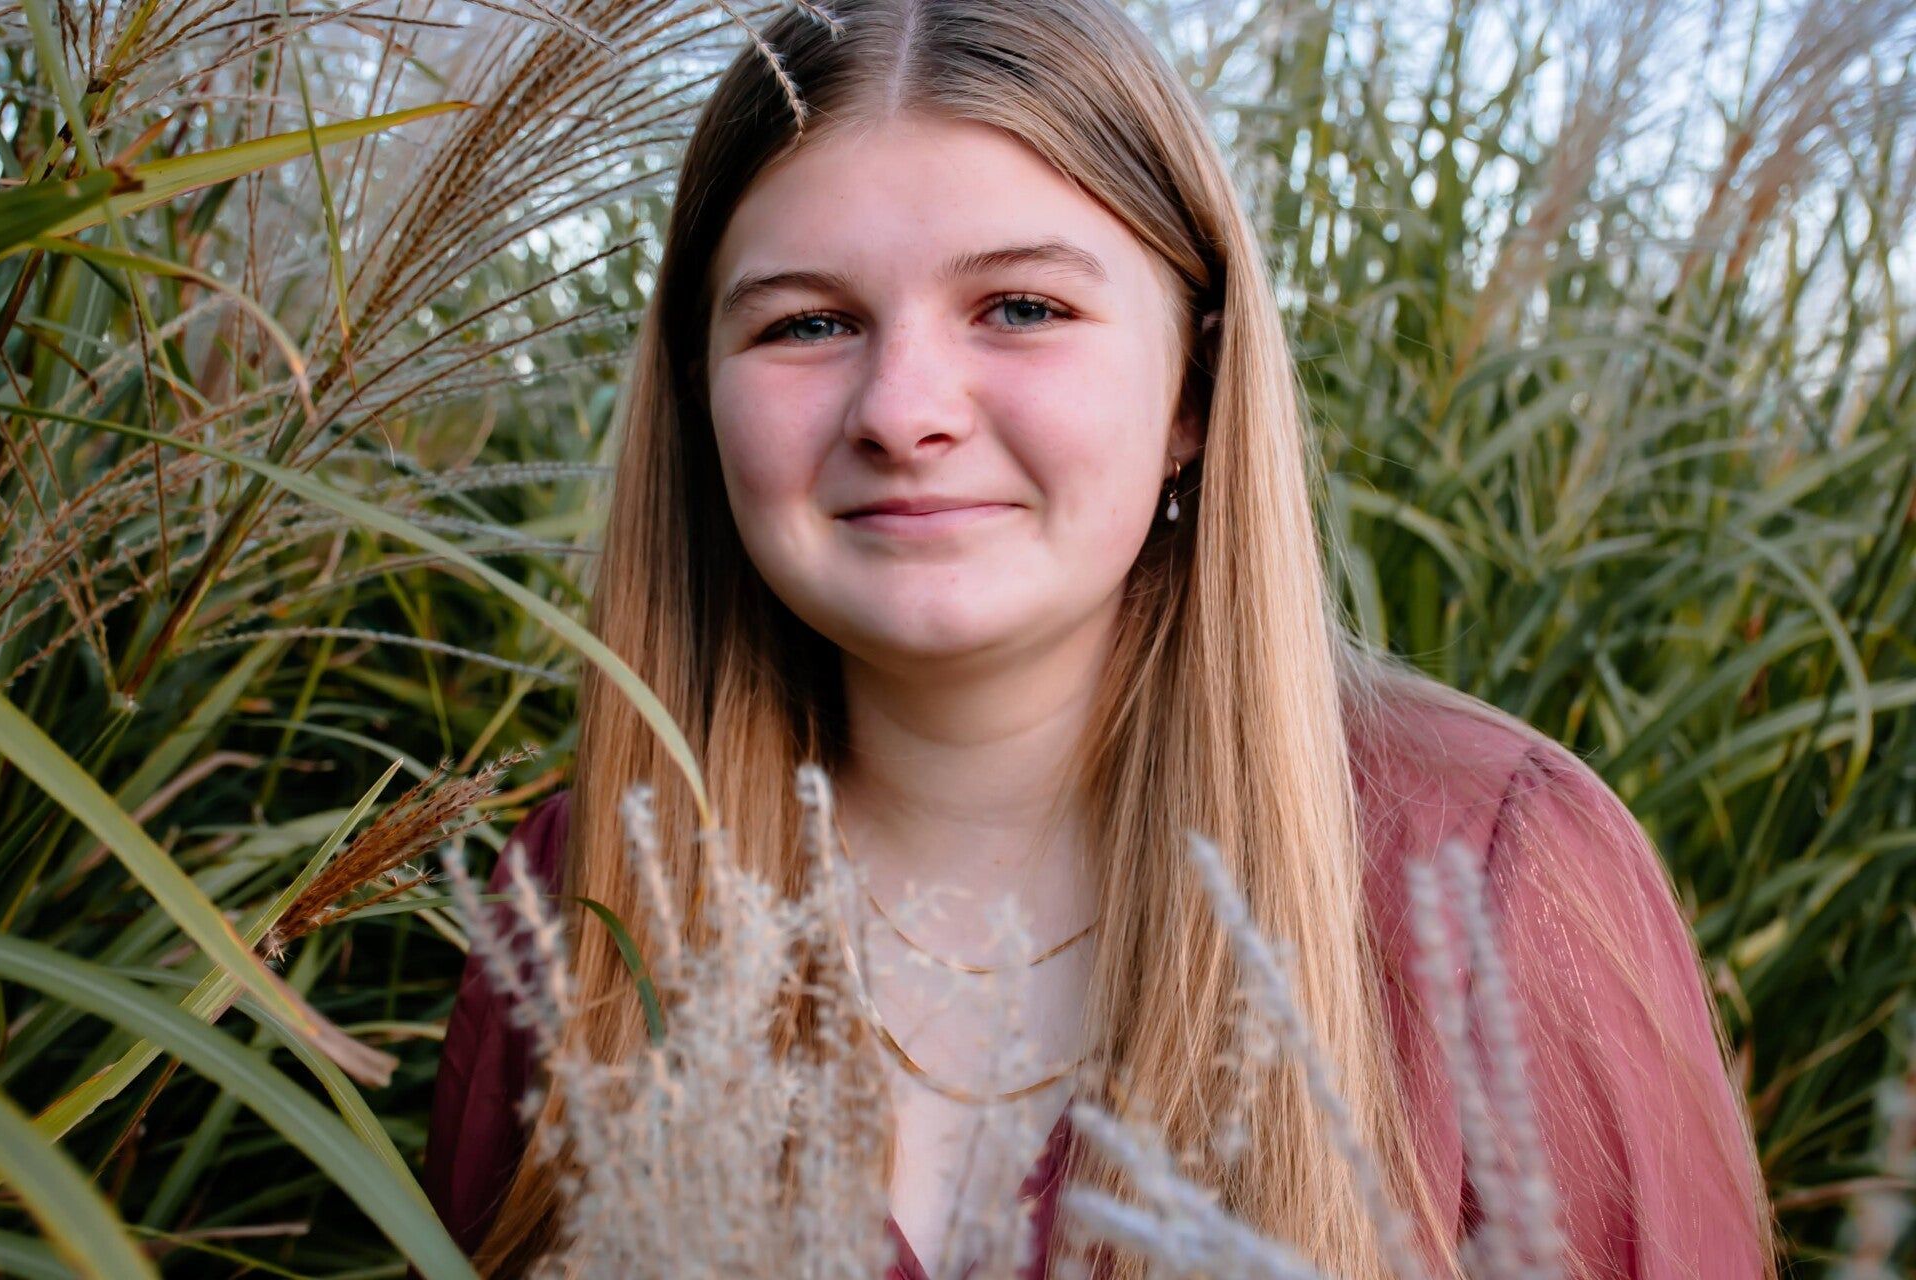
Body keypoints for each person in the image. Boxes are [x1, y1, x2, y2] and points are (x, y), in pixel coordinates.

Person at [420, 2, 1780, 1277]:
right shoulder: (583, 905)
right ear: (700, 398)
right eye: (808, 323)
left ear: (1193, 385)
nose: (904, 409)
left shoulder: (1486, 876)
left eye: (1021, 307)